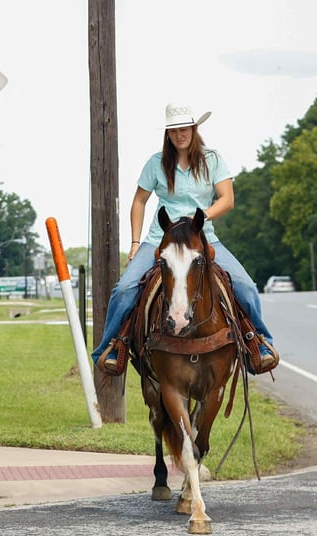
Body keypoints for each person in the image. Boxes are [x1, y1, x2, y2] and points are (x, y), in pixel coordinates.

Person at [91, 102, 276, 373]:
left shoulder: (212, 159)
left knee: (245, 286)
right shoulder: (156, 163)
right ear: (168, 133)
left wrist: (200, 217)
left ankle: (258, 344)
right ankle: (111, 348)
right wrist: (134, 244)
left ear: (194, 128)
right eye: (174, 130)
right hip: (160, 239)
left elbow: (227, 199)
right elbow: (139, 202)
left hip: (203, 238)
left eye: (185, 128)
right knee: (125, 288)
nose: (180, 134)